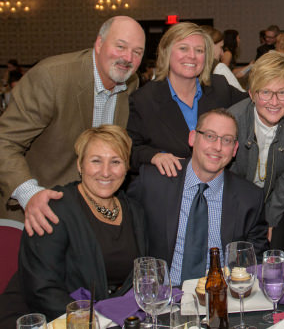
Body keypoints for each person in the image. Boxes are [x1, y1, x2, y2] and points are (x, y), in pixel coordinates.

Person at [0, 16, 145, 236]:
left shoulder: (130, 83)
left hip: (89, 217)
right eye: (120, 46)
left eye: (137, 52)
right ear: (99, 43)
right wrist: (30, 193)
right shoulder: (51, 78)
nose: (128, 58)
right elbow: (5, 141)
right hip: (36, 215)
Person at [0, 125, 147, 325]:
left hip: (107, 317)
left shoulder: (133, 211)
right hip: (50, 318)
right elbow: (42, 290)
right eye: (96, 161)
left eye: (115, 162)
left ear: (127, 166)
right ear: (80, 165)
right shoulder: (52, 209)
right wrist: (92, 320)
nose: (106, 172)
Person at [128, 109, 268, 286]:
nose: (217, 147)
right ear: (192, 138)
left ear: (234, 149)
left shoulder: (249, 198)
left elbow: (257, 261)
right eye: (210, 136)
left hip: (222, 297)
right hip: (163, 296)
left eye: (226, 140)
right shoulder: (153, 182)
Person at [126, 22, 247, 176]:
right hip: (169, 188)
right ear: (167, 52)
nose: (192, 56)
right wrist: (153, 156)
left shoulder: (220, 87)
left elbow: (252, 104)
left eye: (199, 50)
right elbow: (129, 150)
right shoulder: (143, 100)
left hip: (217, 187)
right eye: (183, 48)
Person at [228, 51, 284, 256]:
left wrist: (271, 218)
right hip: (235, 201)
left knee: (274, 261)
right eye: (265, 92)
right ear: (251, 94)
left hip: (277, 200)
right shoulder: (233, 120)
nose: (274, 102)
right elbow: (227, 178)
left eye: (282, 93)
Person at [201, 25, 246, 92]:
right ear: (210, 46)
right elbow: (240, 95)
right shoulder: (218, 67)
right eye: (220, 47)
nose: (222, 53)